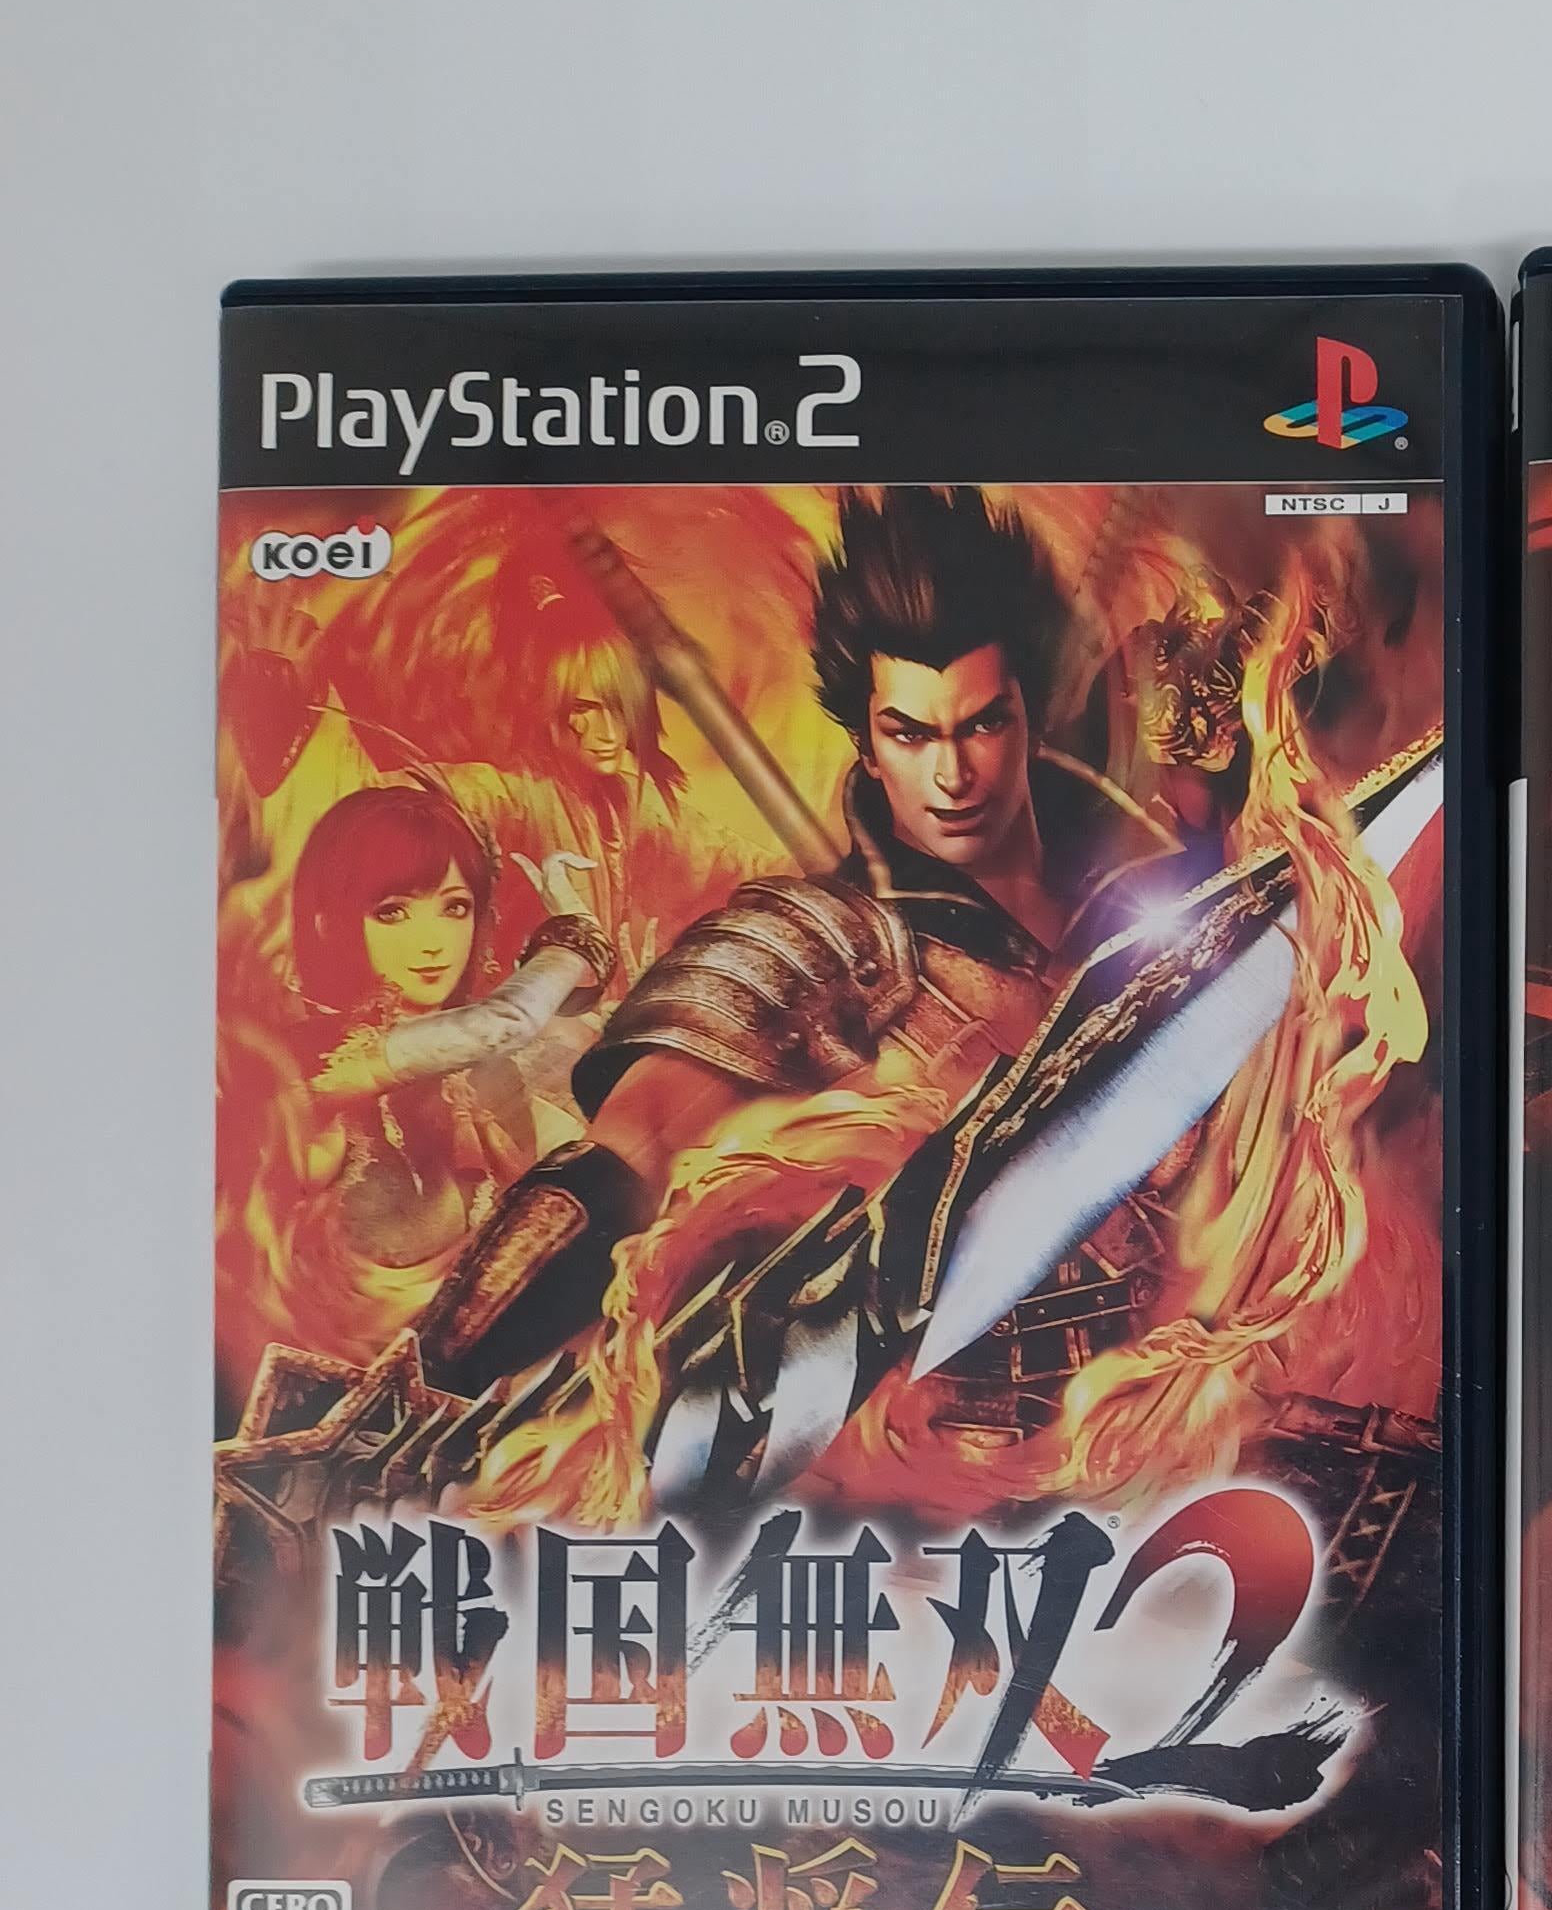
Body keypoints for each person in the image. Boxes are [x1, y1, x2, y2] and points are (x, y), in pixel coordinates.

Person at [407, 486, 1198, 1422]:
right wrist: (442, 1364)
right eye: (910, 734)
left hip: (1185, 1384)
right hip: (949, 1436)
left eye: (982, 724)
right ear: (866, 744)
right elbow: (624, 1157)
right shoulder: (822, 941)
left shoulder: (1162, 895)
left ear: (1030, 715)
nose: (952, 776)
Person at [281, 784, 611, 1272]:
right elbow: (503, 1022)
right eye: (392, 912)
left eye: (455, 907)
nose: (433, 942)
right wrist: (575, 942)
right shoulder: (309, 1063)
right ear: (327, 921)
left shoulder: (485, 1077)